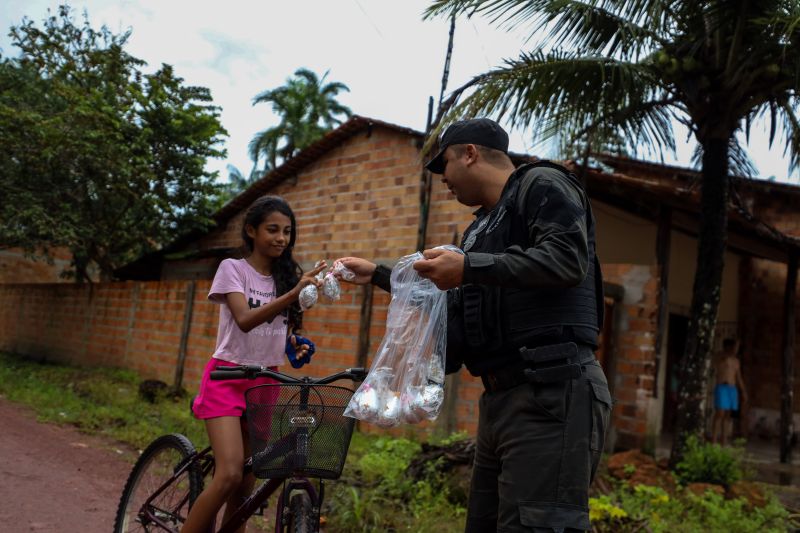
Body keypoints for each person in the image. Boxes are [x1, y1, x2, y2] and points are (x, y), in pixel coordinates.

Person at [334, 118, 612, 532]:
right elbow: (459, 317)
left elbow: (566, 260)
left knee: (537, 525)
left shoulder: (541, 184)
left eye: (443, 163)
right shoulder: (478, 230)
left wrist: (468, 267)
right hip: (499, 401)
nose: (442, 178)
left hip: (554, 392)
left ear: (470, 153)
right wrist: (381, 275)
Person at [182, 195, 326, 533]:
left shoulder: (286, 276)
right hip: (227, 375)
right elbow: (245, 320)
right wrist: (293, 295)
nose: (281, 238)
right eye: (272, 230)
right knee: (229, 472)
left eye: (287, 232)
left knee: (246, 485)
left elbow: (275, 326)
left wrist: (292, 345)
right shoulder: (233, 269)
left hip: (265, 381)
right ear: (251, 230)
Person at [711, 338, 747, 446]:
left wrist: (743, 391)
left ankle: (724, 439)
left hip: (732, 388)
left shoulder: (736, 361)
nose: (736, 349)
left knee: (728, 415)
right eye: (735, 346)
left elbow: (738, 377)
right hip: (722, 386)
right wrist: (726, 352)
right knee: (720, 413)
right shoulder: (721, 357)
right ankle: (714, 439)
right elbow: (717, 361)